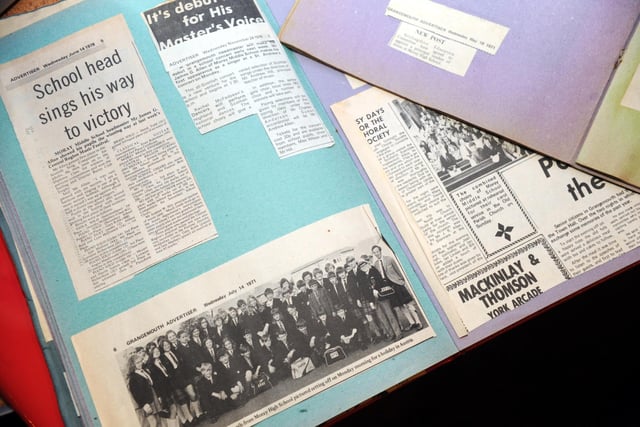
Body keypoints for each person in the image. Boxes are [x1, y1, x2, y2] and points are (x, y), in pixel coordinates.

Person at [371, 244, 422, 331]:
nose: (376, 254)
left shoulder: (389, 259)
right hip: (389, 288)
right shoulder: (375, 264)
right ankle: (412, 323)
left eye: (377, 251)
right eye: (374, 253)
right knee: (400, 306)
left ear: (380, 251)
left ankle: (418, 322)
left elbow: (398, 270)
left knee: (408, 304)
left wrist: (402, 281)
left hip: (397, 284)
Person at [360, 260, 402, 341]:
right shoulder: (363, 277)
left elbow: (380, 281)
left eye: (365, 265)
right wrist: (370, 301)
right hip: (373, 299)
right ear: (361, 269)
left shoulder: (374, 271)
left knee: (389, 314)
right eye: (362, 267)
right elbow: (364, 290)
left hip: (382, 296)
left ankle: (398, 333)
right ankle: (391, 334)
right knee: (381, 317)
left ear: (368, 265)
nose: (364, 268)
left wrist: (376, 289)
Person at [127, 352, 159, 427]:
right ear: (133, 365)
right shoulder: (133, 378)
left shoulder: (144, 371)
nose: (140, 363)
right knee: (153, 423)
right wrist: (144, 404)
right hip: (146, 402)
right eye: (137, 363)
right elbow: (136, 394)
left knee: (158, 420)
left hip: (152, 398)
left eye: (140, 361)